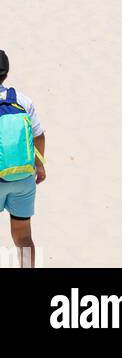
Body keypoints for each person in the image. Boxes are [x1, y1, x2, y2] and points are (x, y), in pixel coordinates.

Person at [0, 49, 46, 266]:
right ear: (6, 74)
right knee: (23, 237)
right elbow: (39, 136)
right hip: (22, 177)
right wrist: (40, 166)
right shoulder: (21, 100)